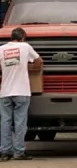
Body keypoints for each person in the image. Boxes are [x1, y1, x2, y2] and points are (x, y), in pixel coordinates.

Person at [0, 27, 43, 161]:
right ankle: (19, 152)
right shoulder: (25, 46)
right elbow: (39, 61)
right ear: (23, 37)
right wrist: (31, 69)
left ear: (11, 37)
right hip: (21, 91)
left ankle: (4, 152)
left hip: (5, 91)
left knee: (5, 122)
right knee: (20, 122)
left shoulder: (1, 49)